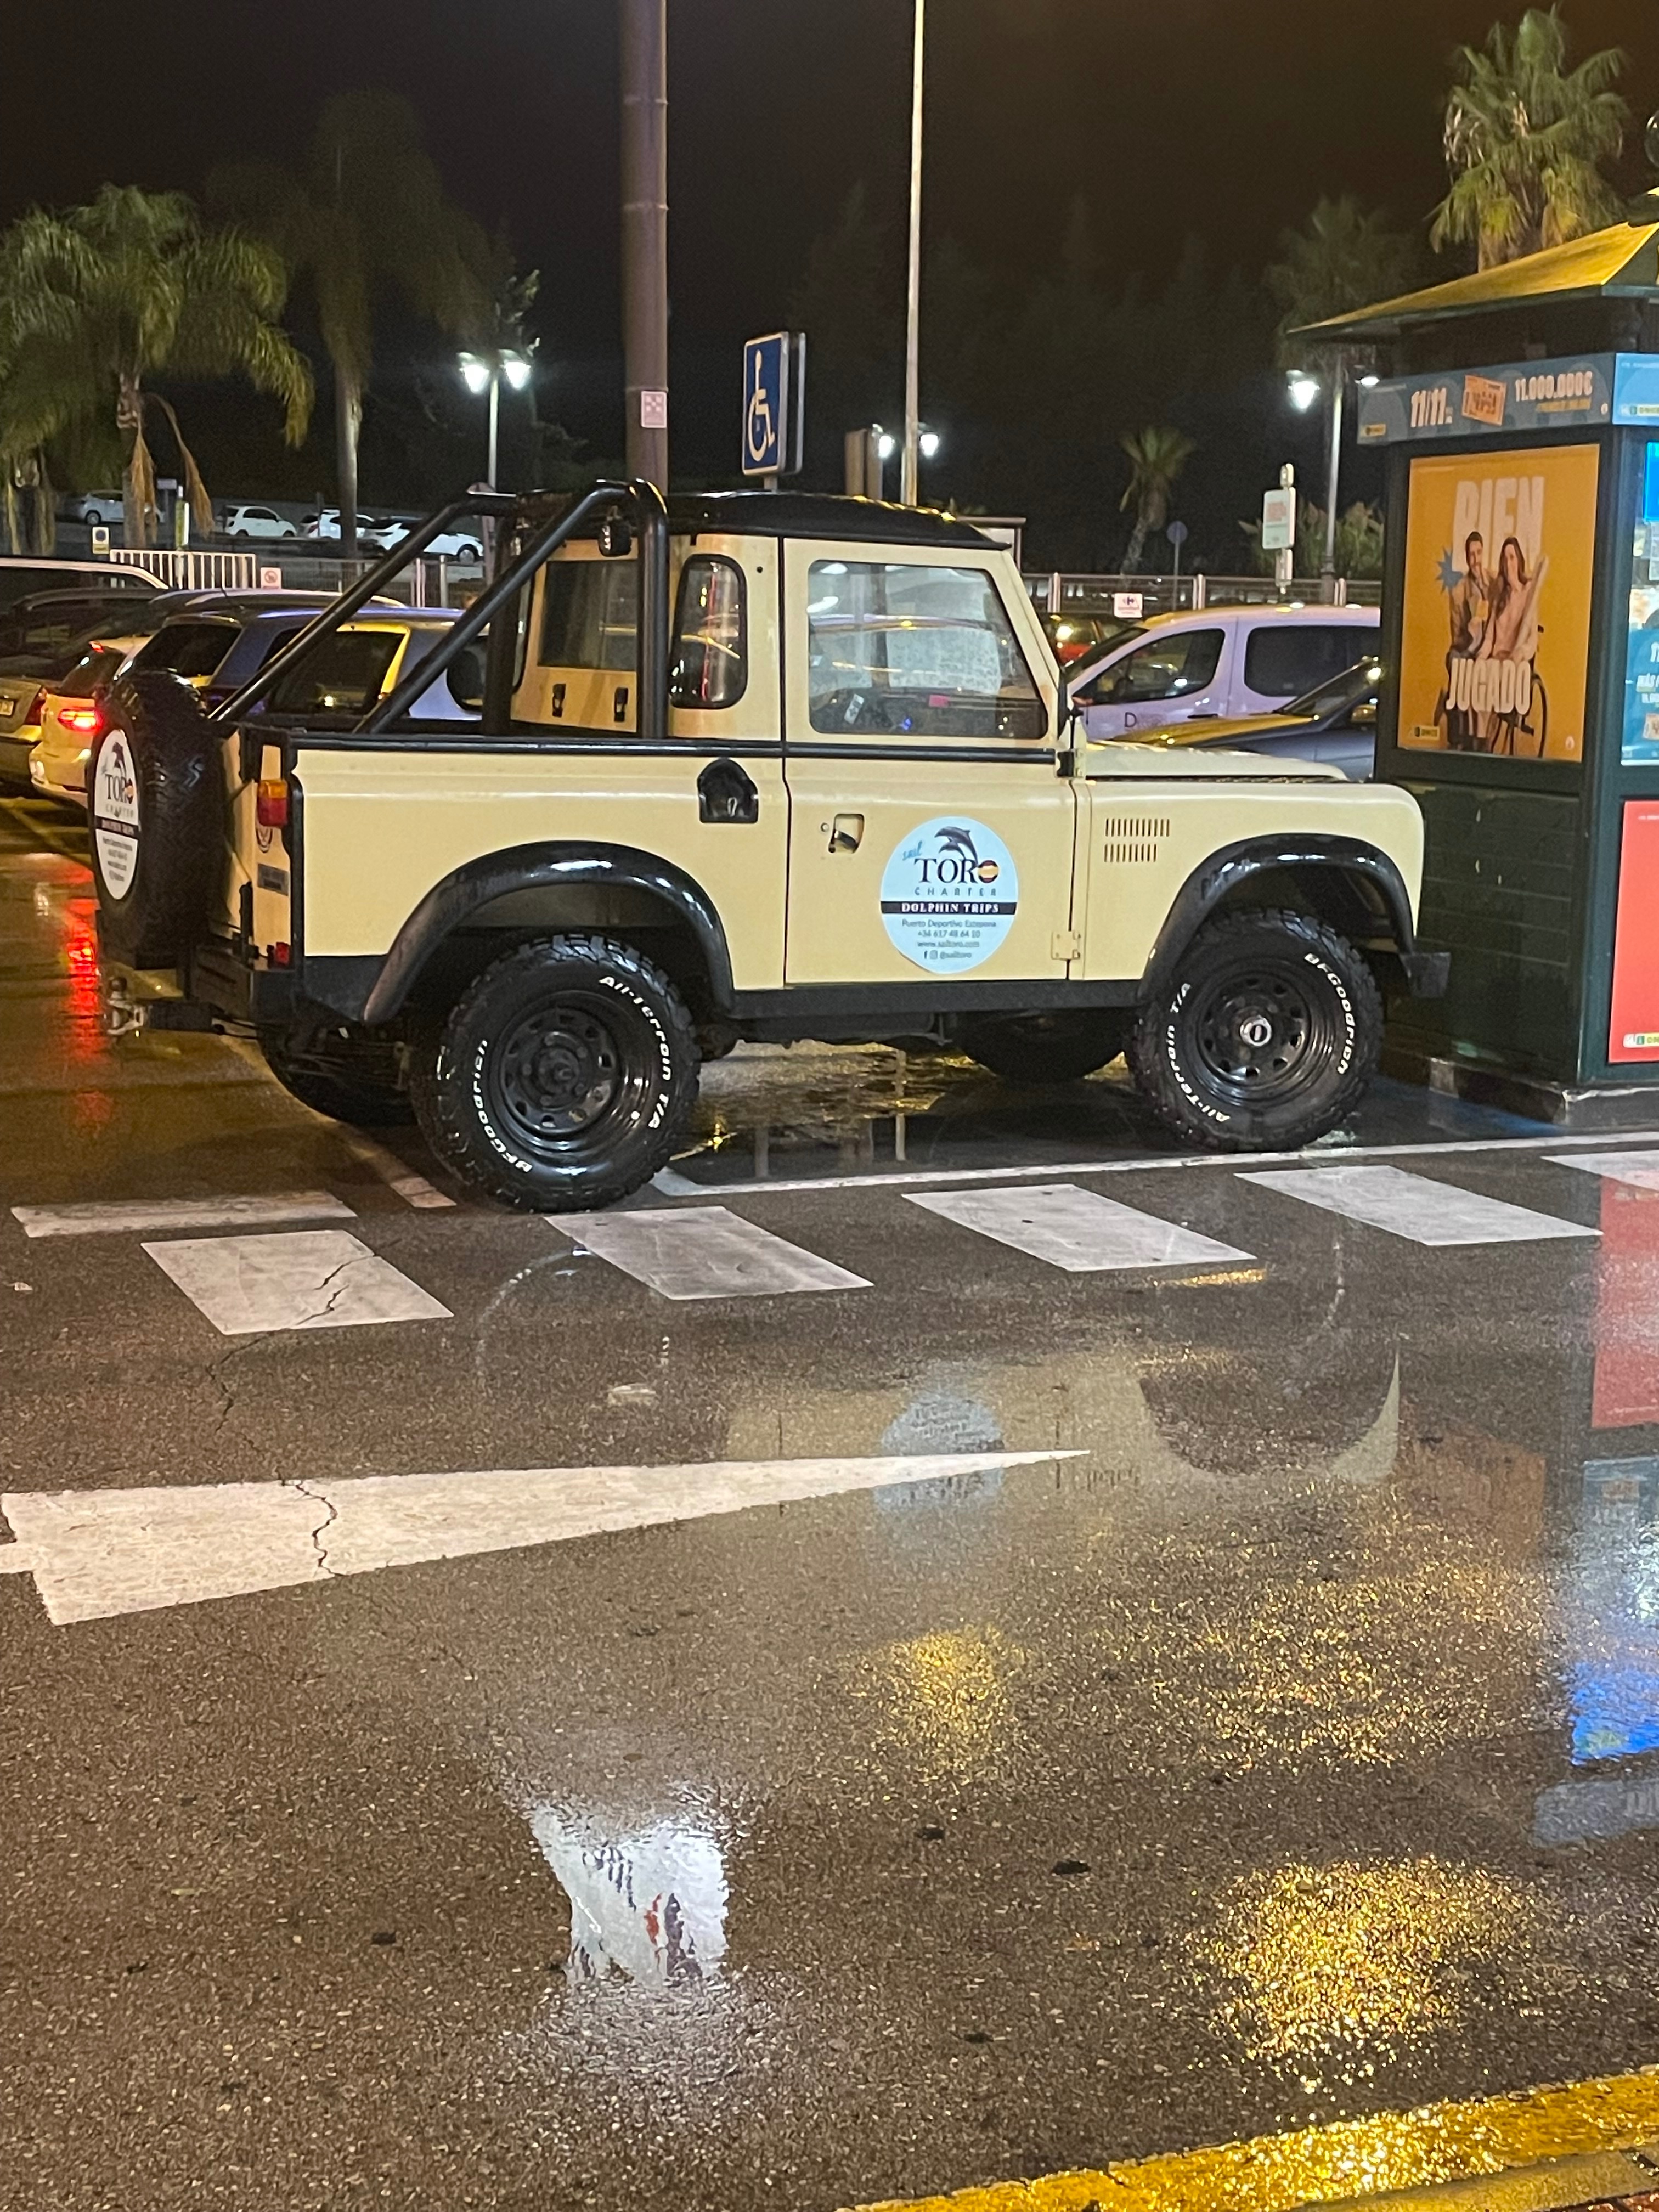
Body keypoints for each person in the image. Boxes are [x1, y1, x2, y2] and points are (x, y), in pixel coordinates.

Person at [1476, 536, 1544, 753]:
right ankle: (1480, 745)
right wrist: (1481, 657)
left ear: (1519, 560)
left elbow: (1531, 641)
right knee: (1476, 685)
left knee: (1491, 691)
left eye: (1512, 557)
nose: (1509, 563)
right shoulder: (1500, 598)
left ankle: (1487, 746)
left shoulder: (1528, 595)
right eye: (1505, 559)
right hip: (1496, 661)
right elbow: (1489, 638)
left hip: (1515, 664)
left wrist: (1520, 654)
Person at [1443, 531, 1489, 749]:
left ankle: (1479, 735)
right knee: (1455, 662)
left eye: (1479, 553)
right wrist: (1470, 632)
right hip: (1468, 648)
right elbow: (1457, 635)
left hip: (1491, 648)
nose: (1476, 559)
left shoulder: (1493, 582)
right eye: (1472, 555)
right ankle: (1459, 731)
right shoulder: (1459, 590)